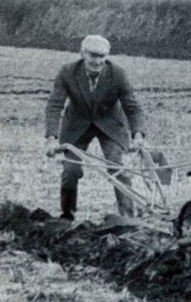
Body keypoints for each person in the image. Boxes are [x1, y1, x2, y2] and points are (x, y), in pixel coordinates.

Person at [44, 34, 146, 220]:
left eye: (102, 56)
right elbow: (54, 105)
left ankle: (128, 217)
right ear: (82, 53)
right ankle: (67, 215)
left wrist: (138, 135)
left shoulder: (118, 74)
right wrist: (51, 139)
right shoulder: (67, 72)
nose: (97, 61)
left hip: (110, 123)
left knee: (117, 167)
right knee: (71, 170)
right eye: (93, 55)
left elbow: (133, 107)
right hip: (77, 123)